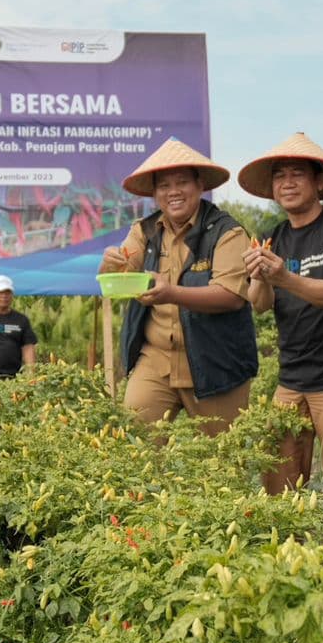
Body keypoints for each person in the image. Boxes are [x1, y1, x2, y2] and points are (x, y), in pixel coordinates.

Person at [238, 133, 323, 511]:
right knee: (277, 482)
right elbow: (260, 304)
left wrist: (284, 277)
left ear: (319, 181)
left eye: (297, 174)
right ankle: (287, 548)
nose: (287, 182)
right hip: (292, 377)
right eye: (279, 175)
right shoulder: (271, 236)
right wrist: (259, 277)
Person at [99, 137, 256, 435]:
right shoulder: (144, 230)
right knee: (134, 441)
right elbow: (121, 276)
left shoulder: (227, 232)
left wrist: (171, 293)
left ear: (199, 185)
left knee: (223, 454)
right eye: (164, 185)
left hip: (216, 360)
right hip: (156, 358)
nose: (173, 192)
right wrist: (110, 264)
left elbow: (231, 296)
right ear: (155, 193)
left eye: (182, 182)